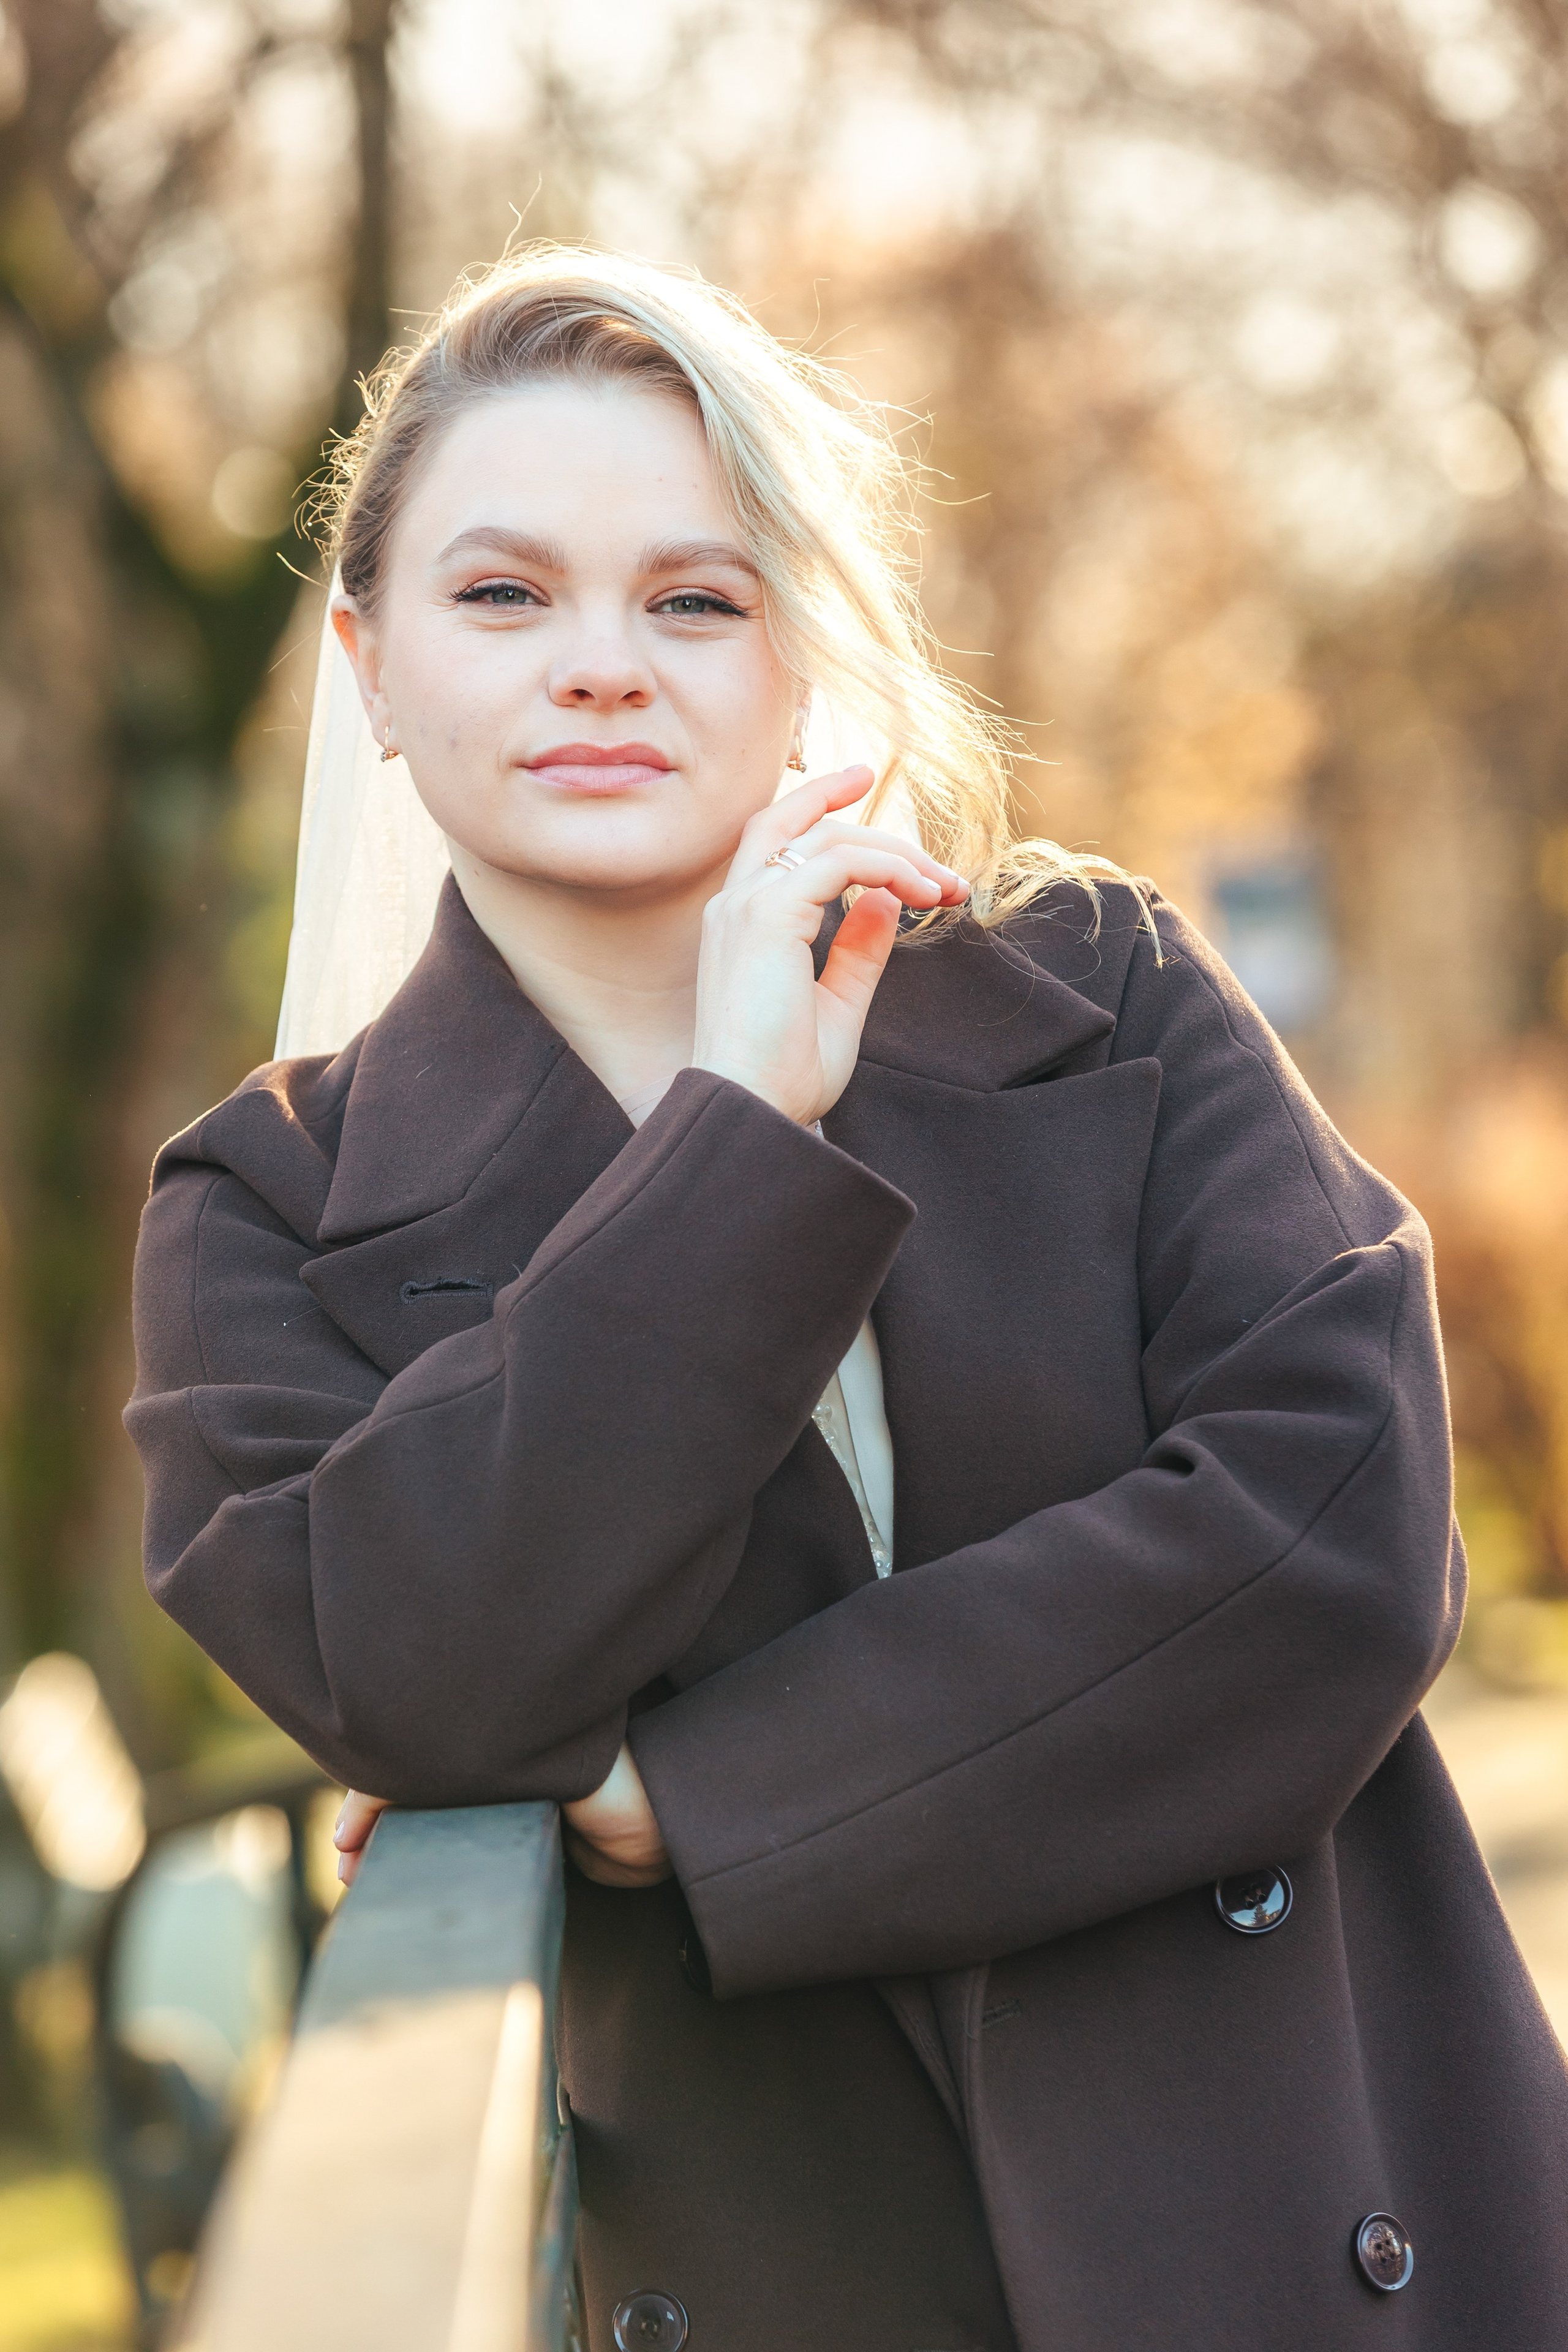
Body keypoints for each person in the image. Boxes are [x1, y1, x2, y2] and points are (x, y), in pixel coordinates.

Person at [125, 245, 1568, 2352]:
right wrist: (735, 1138)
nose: (604, 665)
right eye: (503, 594)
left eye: (696, 598)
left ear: (800, 654)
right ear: (368, 663)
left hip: (1335, 2234)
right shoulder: (263, 1206)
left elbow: (1338, 1541)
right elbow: (415, 1662)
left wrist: (699, 1802)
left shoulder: (1104, 993)